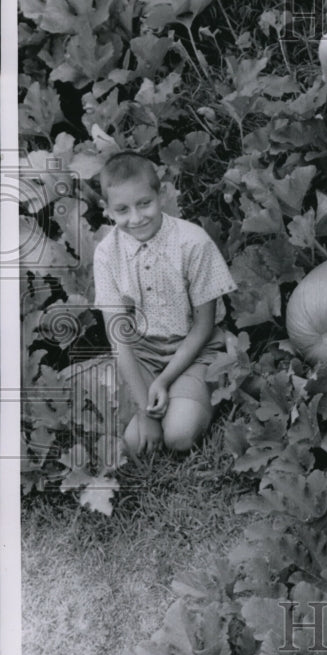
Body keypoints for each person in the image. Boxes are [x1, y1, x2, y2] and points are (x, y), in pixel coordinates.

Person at [93, 151, 237, 456]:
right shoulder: (106, 253)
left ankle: (200, 388)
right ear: (107, 211)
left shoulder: (193, 242)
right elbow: (119, 339)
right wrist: (145, 413)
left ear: (161, 194)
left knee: (179, 437)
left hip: (196, 348)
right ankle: (160, 402)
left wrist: (164, 380)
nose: (136, 218)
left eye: (144, 203)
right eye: (122, 209)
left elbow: (203, 325)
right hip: (144, 352)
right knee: (136, 443)